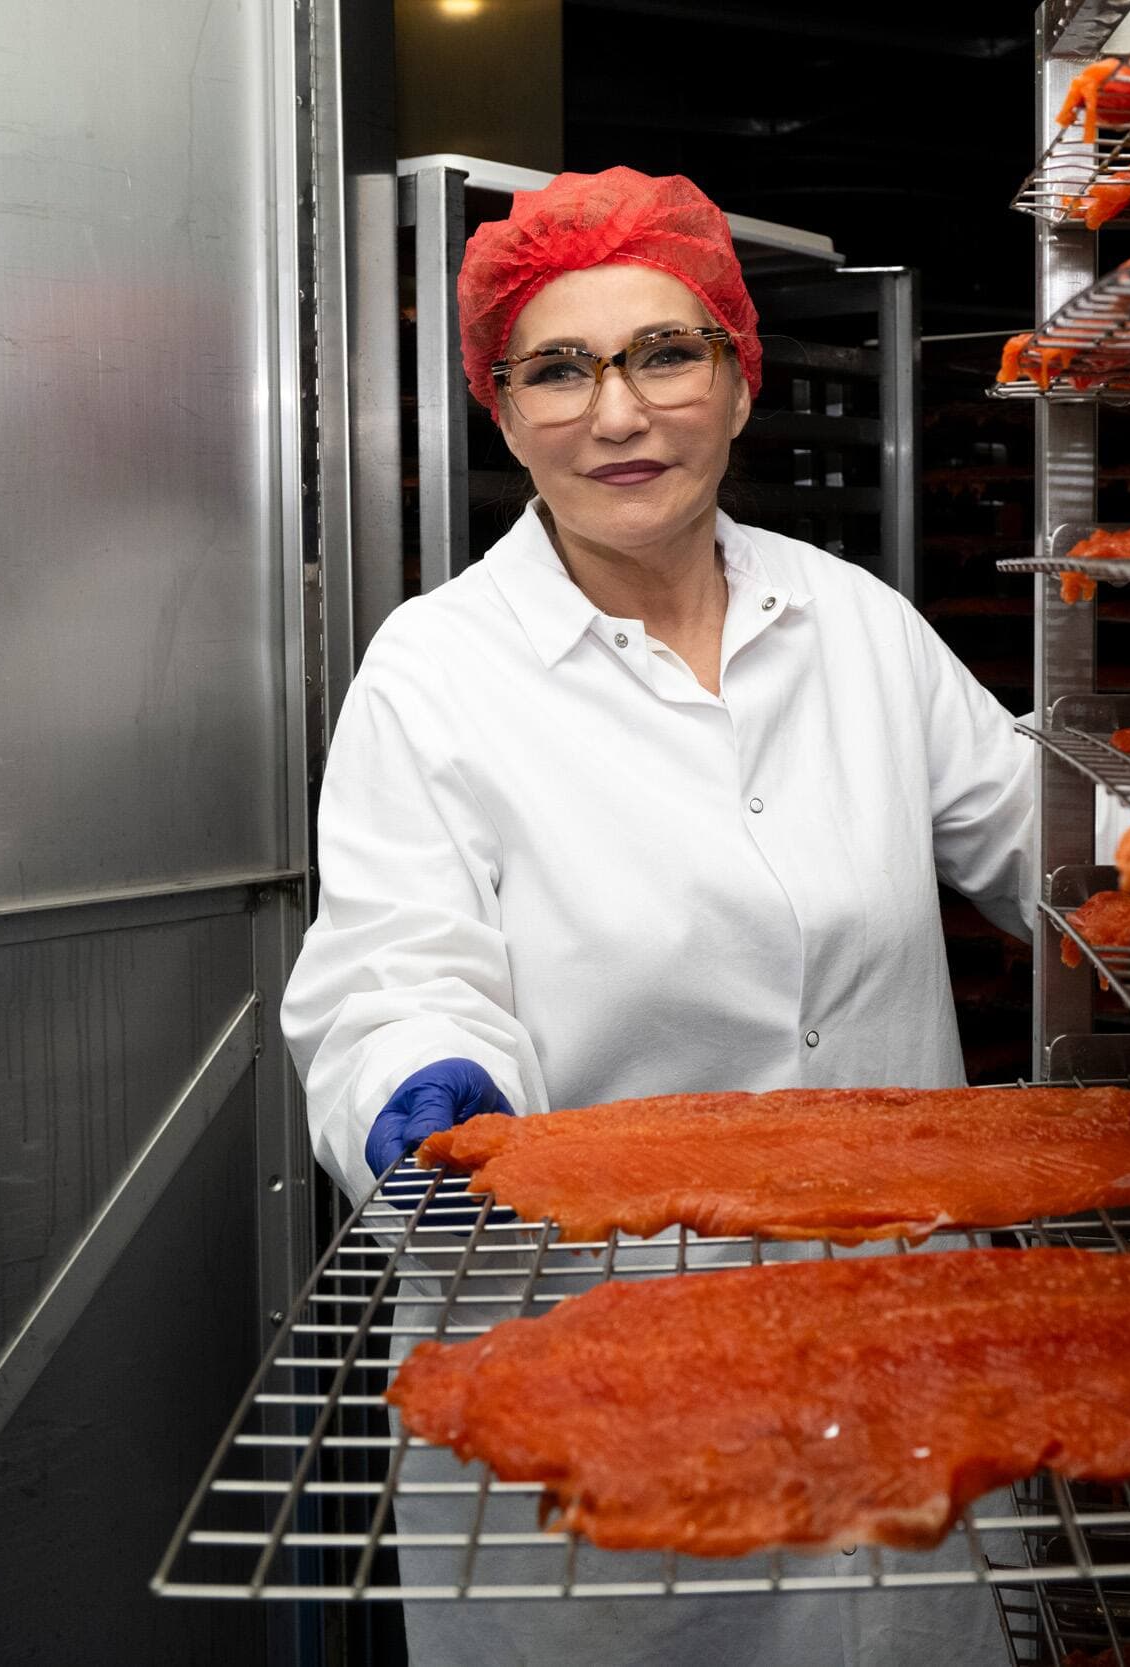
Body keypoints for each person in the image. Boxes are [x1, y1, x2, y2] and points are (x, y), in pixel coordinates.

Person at [281, 166, 1035, 1666]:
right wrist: (426, 1094)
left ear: (742, 382)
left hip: (889, 1362)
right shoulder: (436, 673)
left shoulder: (853, 624)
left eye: (663, 355)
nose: (617, 415)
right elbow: (394, 972)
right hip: (591, 1369)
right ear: (501, 414)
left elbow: (1047, 849)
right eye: (557, 370)